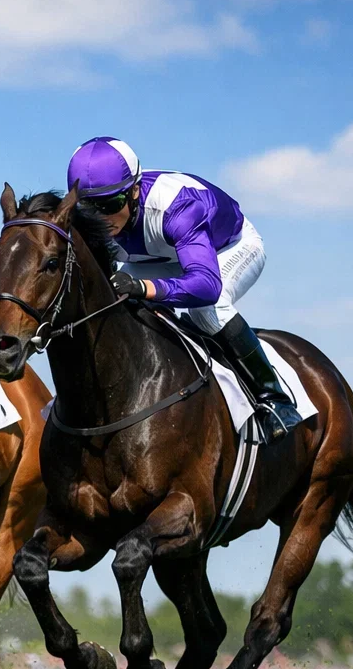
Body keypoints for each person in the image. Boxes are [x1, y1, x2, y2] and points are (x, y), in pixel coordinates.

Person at [67, 136, 302, 442]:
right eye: (88, 208)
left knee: (207, 311)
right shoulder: (92, 218)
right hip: (159, 256)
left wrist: (142, 287)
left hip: (227, 248)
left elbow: (206, 285)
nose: (101, 219)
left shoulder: (178, 207)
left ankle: (274, 399)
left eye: (110, 205)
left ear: (135, 191)